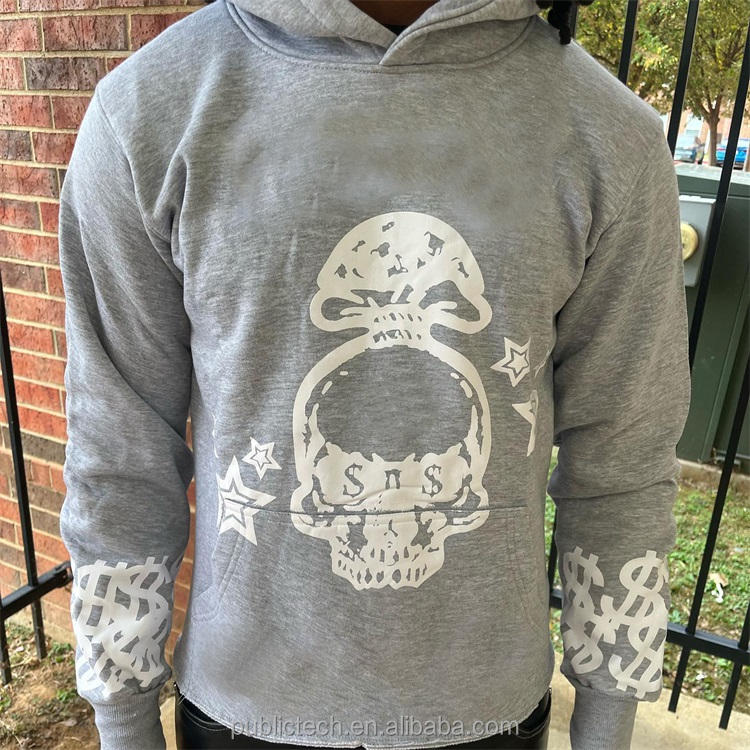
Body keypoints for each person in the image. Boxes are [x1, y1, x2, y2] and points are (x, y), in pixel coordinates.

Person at [57, 1, 692, 749]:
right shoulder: (147, 114)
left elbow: (624, 461)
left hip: (490, 717)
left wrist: (608, 721)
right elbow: (119, 454)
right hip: (238, 713)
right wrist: (123, 719)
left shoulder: (610, 137)